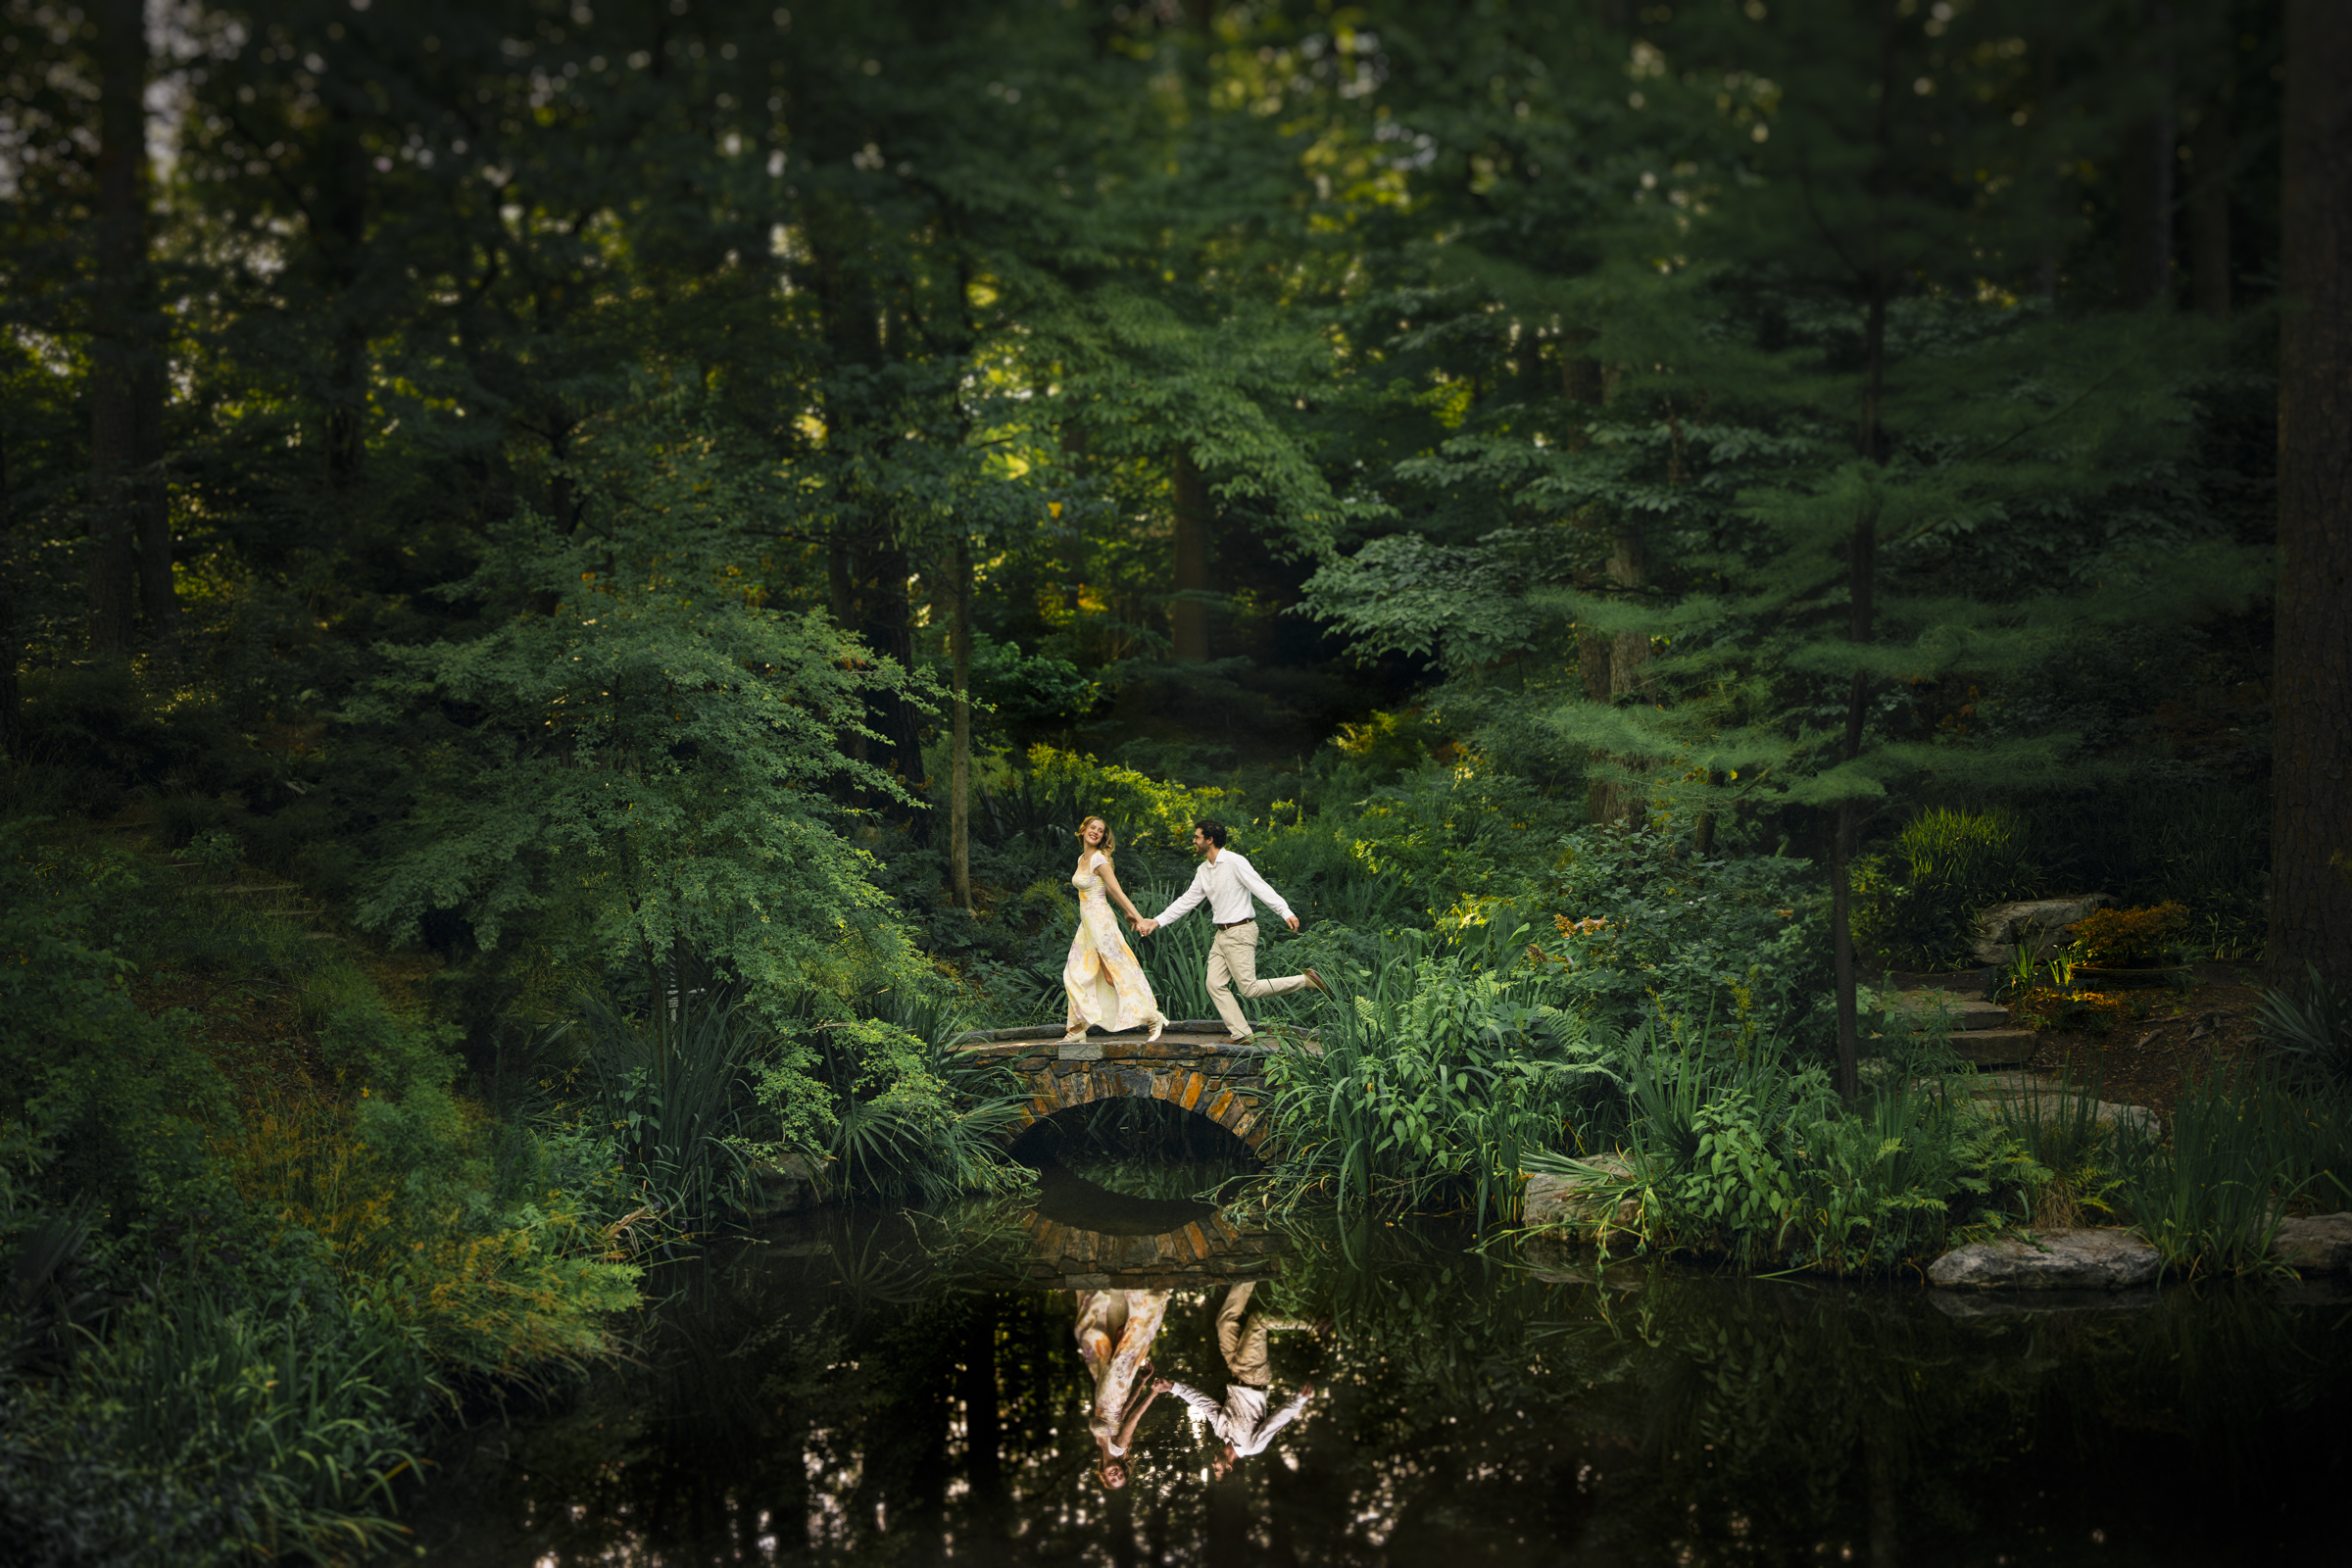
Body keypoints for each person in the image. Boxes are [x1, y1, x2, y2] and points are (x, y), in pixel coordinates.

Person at [1136, 820, 1326, 1042]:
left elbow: (1260, 886)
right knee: (1214, 984)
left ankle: (1306, 981)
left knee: (1249, 989)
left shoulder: (1235, 862)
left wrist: (1285, 911)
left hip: (1241, 931)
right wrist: (1156, 921)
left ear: (1210, 840)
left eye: (1197, 837)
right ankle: (1242, 1033)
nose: (1194, 841)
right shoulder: (1203, 870)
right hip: (1222, 935)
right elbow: (1187, 901)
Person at [1154, 1280, 1318, 1478]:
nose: (1214, 1464)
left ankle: (1249, 1275)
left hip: (1235, 1370)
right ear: (1229, 1467)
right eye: (1217, 1469)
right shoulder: (1252, 1447)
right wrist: (1299, 1400)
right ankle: (1314, 1324)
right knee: (1258, 1321)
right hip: (1254, 1376)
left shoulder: (1220, 1432)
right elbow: (1277, 1421)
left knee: (1224, 1321)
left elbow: (1204, 1403)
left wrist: (1172, 1387)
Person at [1062, 816, 1166, 1047]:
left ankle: (1153, 1017)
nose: (1096, 832)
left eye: (1100, 831)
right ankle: (1077, 1029)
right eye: (1092, 828)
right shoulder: (1082, 858)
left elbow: (1116, 890)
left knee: (1115, 972)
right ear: (1083, 829)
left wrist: (1138, 917)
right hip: (1088, 926)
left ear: (1103, 837)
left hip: (1101, 923)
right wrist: (1127, 913)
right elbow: (1105, 889)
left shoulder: (1099, 858)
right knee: (1078, 974)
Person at [1074, 1287, 1172, 1491]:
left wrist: (1141, 1383)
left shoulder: (1101, 1445)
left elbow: (1124, 1412)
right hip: (1112, 1395)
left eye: (1113, 1479)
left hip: (1108, 1396)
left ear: (1104, 1475)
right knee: (1122, 1352)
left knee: (1095, 1343)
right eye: (1121, 1475)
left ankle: (1097, 1290)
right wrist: (1152, 1394)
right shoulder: (1119, 1449)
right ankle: (1143, 1300)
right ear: (1123, 1468)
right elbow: (1133, 1418)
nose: (1117, 1474)